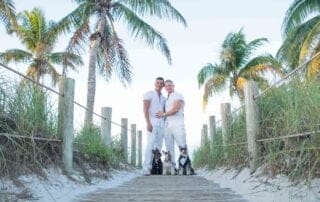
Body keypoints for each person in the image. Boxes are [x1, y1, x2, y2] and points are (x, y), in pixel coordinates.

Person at [156, 79, 188, 167]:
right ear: (164, 88)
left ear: (173, 86)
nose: (168, 87)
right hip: (167, 126)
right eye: (166, 86)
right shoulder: (167, 99)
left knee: (182, 146)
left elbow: (176, 108)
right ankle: (172, 167)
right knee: (169, 147)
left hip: (178, 124)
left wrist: (164, 114)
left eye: (170, 85)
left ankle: (185, 167)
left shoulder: (178, 95)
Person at [142, 77, 166, 176]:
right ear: (154, 83)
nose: (159, 85)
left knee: (158, 147)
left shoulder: (164, 98)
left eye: (161, 83)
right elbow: (145, 110)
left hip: (161, 125)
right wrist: (148, 123)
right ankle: (146, 168)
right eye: (158, 83)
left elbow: (165, 112)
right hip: (152, 124)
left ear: (163, 85)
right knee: (150, 145)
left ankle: (154, 168)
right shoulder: (149, 94)